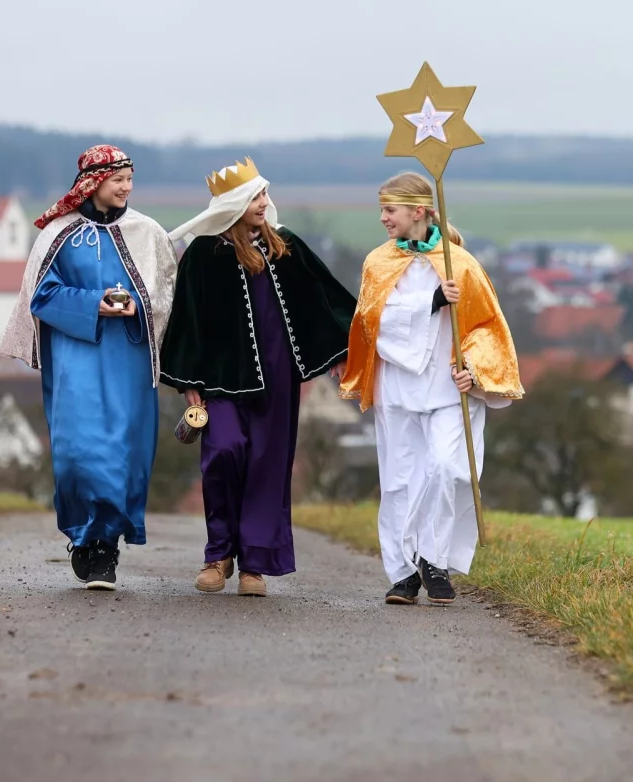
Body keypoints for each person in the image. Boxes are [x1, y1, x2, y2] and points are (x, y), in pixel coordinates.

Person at [161, 158, 357, 597]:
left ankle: (254, 563)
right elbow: (187, 320)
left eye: (265, 194)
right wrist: (188, 382)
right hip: (220, 378)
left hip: (278, 377)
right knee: (223, 453)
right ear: (233, 205)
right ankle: (218, 554)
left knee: (267, 464)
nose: (264, 202)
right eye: (255, 197)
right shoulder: (203, 255)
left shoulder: (285, 246)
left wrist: (340, 351)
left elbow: (324, 298)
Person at [0, 145, 178, 590]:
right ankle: (83, 533)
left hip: (129, 359)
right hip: (75, 358)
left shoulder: (148, 232)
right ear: (93, 183)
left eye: (130, 179)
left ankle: (105, 547)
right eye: (118, 180)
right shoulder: (59, 233)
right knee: (78, 453)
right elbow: (41, 296)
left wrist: (138, 305)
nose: (127, 187)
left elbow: (168, 294)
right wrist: (93, 304)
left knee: (122, 453)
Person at [340, 172, 523, 605]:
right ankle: (404, 573)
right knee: (400, 480)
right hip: (398, 388)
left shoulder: (462, 264)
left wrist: (473, 371)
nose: (383, 218)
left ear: (418, 211)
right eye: (382, 210)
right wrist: (431, 302)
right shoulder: (377, 263)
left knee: (446, 468)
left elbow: (486, 329)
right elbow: (369, 322)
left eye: (390, 210)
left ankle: (434, 560)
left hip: (447, 389)